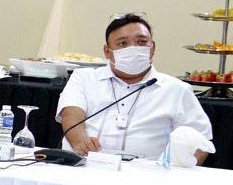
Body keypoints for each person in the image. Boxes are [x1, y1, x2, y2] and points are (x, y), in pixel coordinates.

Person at [58, 13, 211, 163]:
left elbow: (200, 140)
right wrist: (80, 142)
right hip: (86, 166)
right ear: (107, 51)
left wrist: (177, 171)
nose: (133, 48)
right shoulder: (84, 78)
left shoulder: (177, 89)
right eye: (122, 44)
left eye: (141, 42)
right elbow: (71, 113)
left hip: (148, 175)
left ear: (152, 48)